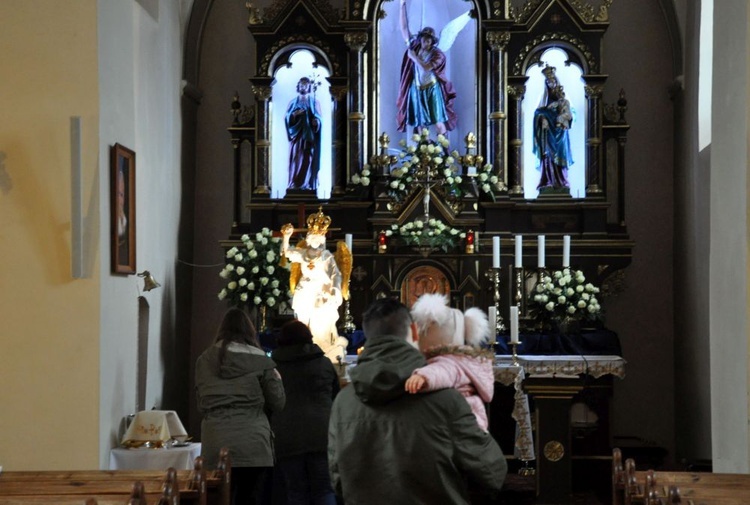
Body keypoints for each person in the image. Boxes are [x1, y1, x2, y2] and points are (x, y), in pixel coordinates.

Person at [328, 298, 507, 504]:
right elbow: (492, 472)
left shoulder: (343, 402)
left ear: (367, 336)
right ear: (414, 330)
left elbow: (337, 479)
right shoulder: (447, 399)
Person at [194, 308, 286, 505]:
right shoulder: (262, 360)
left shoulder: (204, 360)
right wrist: (277, 380)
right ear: (249, 331)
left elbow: (202, 404)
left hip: (216, 442)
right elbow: (278, 403)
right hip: (254, 445)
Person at [271, 320, 339, 505]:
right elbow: (336, 396)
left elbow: (269, 402)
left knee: (296, 492)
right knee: (324, 490)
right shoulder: (324, 363)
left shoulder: (273, 367)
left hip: (286, 435)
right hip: (321, 434)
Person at [405, 293, 495, 431]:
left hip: (456, 424)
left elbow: (443, 371)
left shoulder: (450, 362)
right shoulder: (463, 360)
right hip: (468, 420)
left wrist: (423, 376)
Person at [280, 207, 350, 365]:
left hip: (321, 294)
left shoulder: (326, 256)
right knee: (303, 322)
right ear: (308, 237)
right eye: (313, 236)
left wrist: (334, 290)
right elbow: (287, 253)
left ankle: (321, 351)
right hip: (305, 292)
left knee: (321, 326)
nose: (316, 239)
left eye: (319, 236)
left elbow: (336, 274)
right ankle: (303, 348)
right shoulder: (303, 253)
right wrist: (287, 236)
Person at [396, 0, 458, 135]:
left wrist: (413, 57)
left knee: (438, 120)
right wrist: (402, 6)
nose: (426, 42)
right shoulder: (415, 47)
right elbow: (404, 28)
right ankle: (421, 150)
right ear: (420, 39)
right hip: (416, 88)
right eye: (424, 39)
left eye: (429, 40)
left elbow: (426, 67)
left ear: (432, 41)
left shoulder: (437, 54)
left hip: (432, 89)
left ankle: (444, 152)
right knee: (419, 122)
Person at [533, 64, 574, 191]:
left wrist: (561, 117)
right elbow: (538, 113)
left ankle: (561, 182)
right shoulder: (544, 99)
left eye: (552, 81)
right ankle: (548, 181)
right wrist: (542, 118)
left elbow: (571, 115)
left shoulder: (564, 100)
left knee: (561, 155)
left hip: (560, 131)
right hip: (548, 132)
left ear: (556, 81)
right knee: (547, 156)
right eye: (548, 82)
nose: (551, 84)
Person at [286, 77, 322, 191]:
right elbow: (287, 117)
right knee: (296, 159)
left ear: (309, 87)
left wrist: (316, 122)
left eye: (306, 85)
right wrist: (293, 115)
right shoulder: (293, 102)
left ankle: (307, 184)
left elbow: (319, 117)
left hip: (309, 137)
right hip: (297, 136)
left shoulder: (314, 102)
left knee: (308, 159)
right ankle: (294, 183)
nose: (303, 87)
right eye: (301, 85)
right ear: (298, 86)